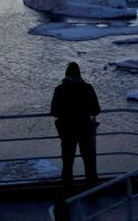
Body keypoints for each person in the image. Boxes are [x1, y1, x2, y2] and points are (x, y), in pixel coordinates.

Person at [50, 62, 100, 192]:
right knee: (89, 163)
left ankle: (68, 191)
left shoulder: (59, 89)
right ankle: (91, 190)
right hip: (85, 130)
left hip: (67, 132)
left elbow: (54, 111)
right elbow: (96, 110)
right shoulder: (88, 88)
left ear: (66, 74)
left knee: (67, 164)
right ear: (79, 74)